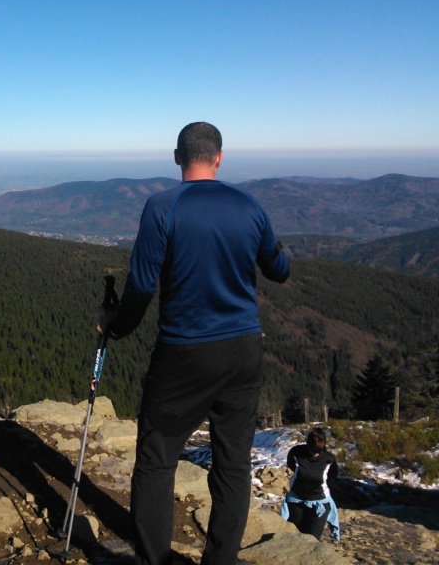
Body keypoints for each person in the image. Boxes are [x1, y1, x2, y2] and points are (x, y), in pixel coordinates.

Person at [102, 122, 290, 565]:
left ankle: (155, 559)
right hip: (244, 349)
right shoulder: (248, 205)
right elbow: (279, 269)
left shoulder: (162, 206)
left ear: (176, 157)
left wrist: (115, 327)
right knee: (233, 461)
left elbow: (143, 286)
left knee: (157, 456)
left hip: (184, 352)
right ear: (220, 157)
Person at [280, 428, 340, 542]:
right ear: (307, 445)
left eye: (319, 451)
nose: (316, 454)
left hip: (320, 502)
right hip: (296, 500)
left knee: (312, 539)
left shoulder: (329, 459)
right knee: (295, 536)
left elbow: (332, 477)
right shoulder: (296, 452)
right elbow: (291, 465)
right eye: (314, 451)